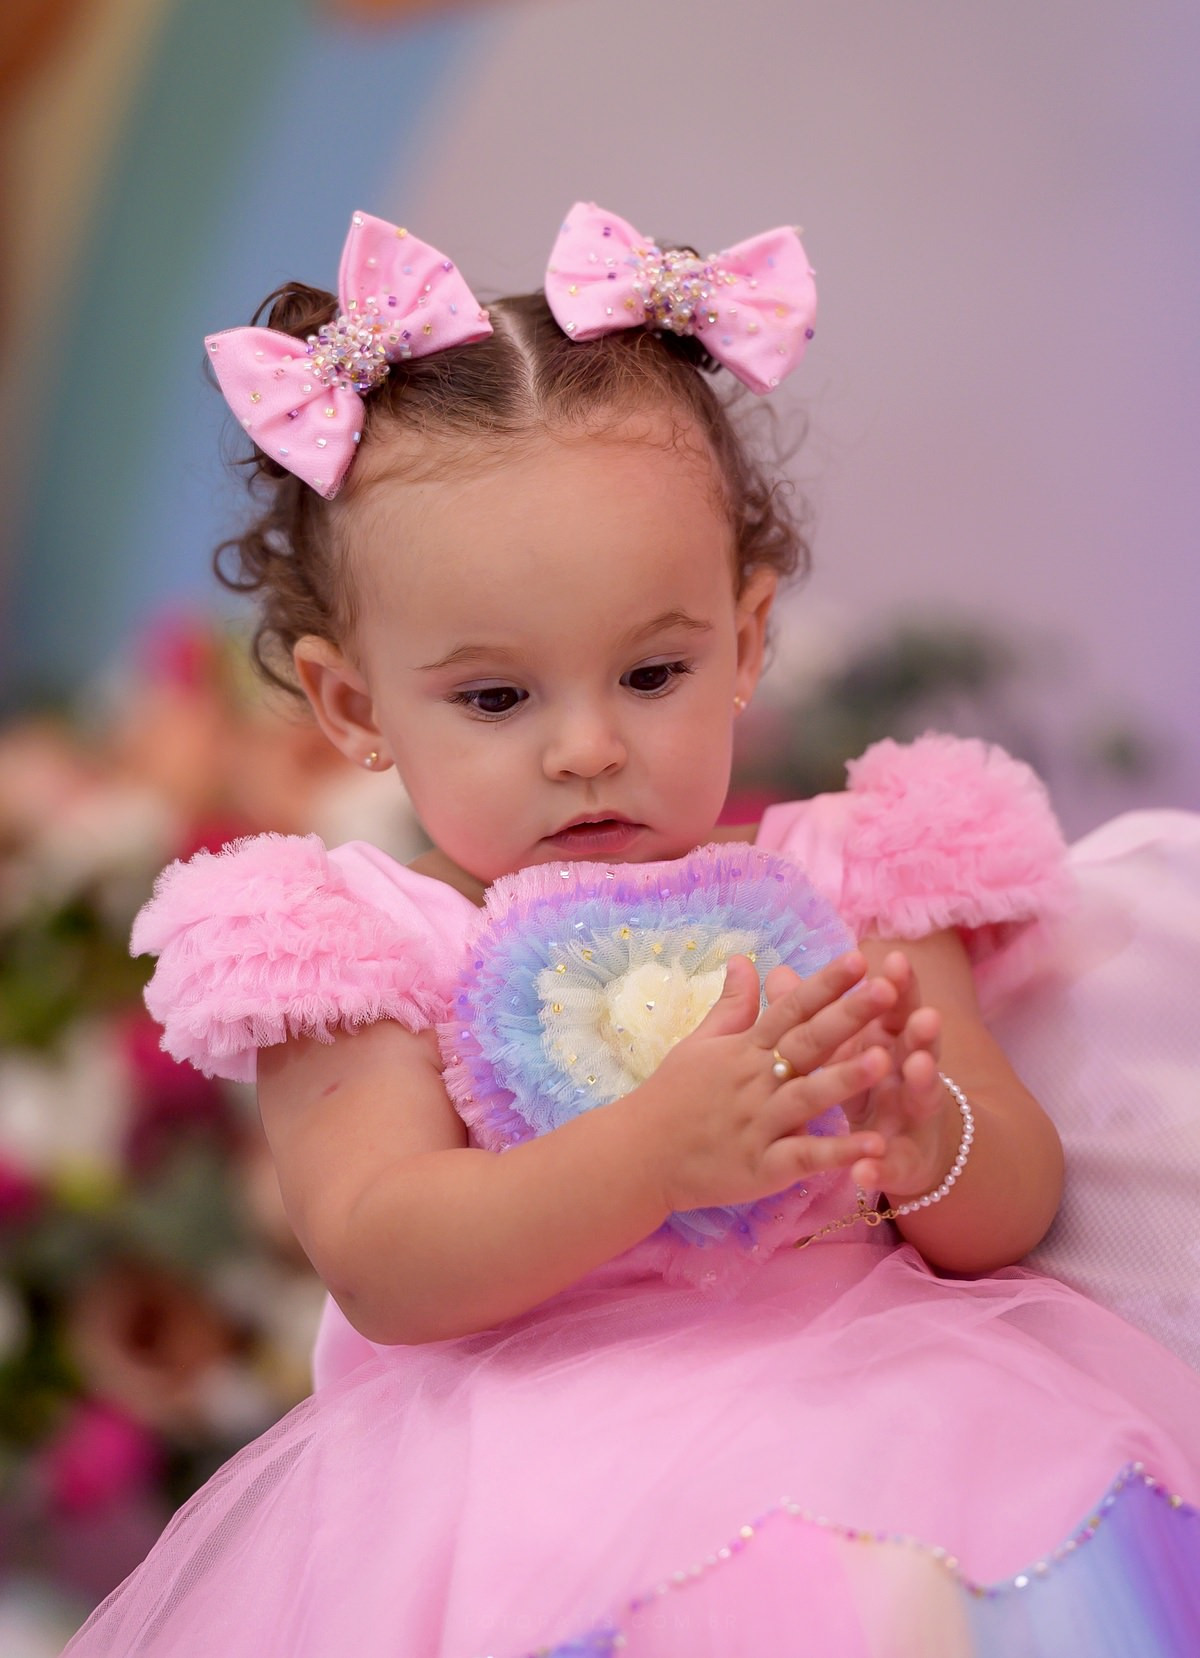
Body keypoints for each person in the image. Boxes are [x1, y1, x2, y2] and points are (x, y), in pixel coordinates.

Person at [64, 205, 1199, 1657]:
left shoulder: (857, 878)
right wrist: (649, 1156)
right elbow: (385, 1257)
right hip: (530, 1490)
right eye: (496, 698)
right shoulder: (369, 948)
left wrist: (931, 1142)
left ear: (748, 635)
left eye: (654, 673)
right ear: (353, 704)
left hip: (901, 1429)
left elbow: (1010, 1208)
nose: (588, 747)